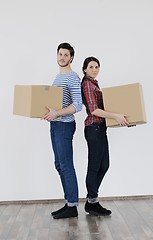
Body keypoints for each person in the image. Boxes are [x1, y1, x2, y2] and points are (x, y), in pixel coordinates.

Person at [81, 56, 129, 216]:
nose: (94, 69)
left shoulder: (95, 84)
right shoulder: (87, 85)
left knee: (104, 165)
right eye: (91, 67)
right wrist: (115, 115)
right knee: (94, 166)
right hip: (93, 128)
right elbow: (94, 109)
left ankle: (91, 200)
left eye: (97, 67)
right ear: (85, 69)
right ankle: (93, 202)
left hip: (100, 128)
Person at [42, 42, 82, 219]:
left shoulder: (73, 77)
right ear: (56, 56)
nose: (62, 57)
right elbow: (56, 103)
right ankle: (68, 203)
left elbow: (78, 105)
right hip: (56, 124)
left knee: (65, 165)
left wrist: (57, 113)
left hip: (65, 125)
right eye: (60, 54)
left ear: (71, 57)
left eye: (66, 55)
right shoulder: (58, 78)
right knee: (59, 164)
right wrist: (46, 113)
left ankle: (72, 205)